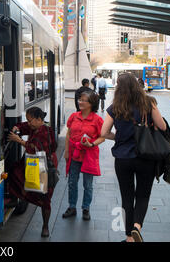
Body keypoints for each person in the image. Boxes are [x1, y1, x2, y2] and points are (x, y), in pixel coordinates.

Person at [101, 73, 167, 242]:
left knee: (127, 196)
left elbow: (104, 132)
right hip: (146, 156)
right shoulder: (148, 103)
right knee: (143, 195)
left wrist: (120, 137)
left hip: (123, 158)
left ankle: (129, 237)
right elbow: (162, 126)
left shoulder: (115, 106)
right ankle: (137, 226)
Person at [7, 107, 57, 238]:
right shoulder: (33, 127)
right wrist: (16, 129)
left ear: (39, 120)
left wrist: (19, 140)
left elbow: (37, 150)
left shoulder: (46, 131)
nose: (28, 123)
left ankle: (45, 226)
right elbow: (22, 126)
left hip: (45, 167)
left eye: (30, 121)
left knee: (45, 199)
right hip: (32, 163)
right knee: (14, 172)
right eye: (28, 120)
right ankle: (17, 199)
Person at [63, 90, 104, 221]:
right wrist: (66, 150)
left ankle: (86, 208)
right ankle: (72, 207)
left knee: (88, 184)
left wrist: (92, 144)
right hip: (74, 154)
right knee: (72, 182)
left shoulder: (97, 120)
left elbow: (102, 137)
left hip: (89, 155)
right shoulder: (74, 116)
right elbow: (69, 134)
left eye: (83, 100)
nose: (80, 102)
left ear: (91, 103)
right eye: (79, 99)